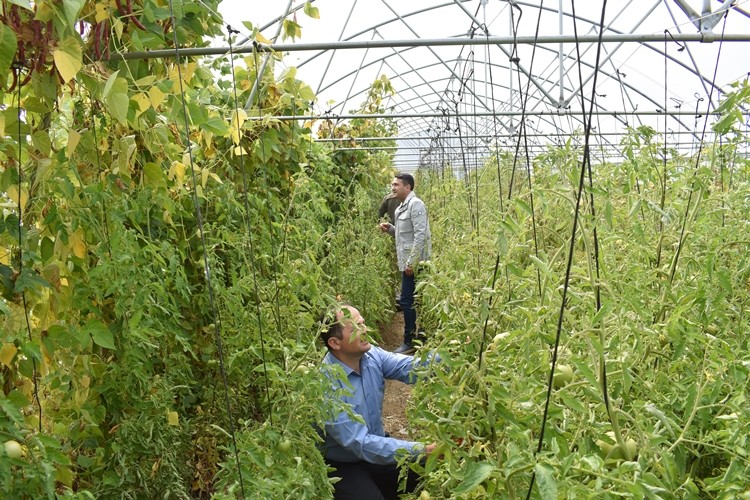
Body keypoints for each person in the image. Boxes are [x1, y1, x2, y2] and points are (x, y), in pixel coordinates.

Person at [319, 303, 439, 500]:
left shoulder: (371, 355)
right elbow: (360, 443)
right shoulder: (326, 386)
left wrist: (457, 358)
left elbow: (411, 367)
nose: (365, 330)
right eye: (356, 327)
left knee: (432, 473)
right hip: (344, 464)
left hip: (378, 449)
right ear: (335, 343)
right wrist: (422, 449)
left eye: (363, 323)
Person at [379, 173, 432, 354]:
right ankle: (419, 335)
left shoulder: (416, 205)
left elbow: (421, 236)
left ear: (407, 187)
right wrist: (391, 229)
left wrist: (412, 263)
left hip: (416, 264)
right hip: (407, 263)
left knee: (410, 300)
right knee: (412, 300)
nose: (392, 188)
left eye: (396, 185)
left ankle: (410, 340)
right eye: (392, 184)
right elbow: (405, 237)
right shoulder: (401, 207)